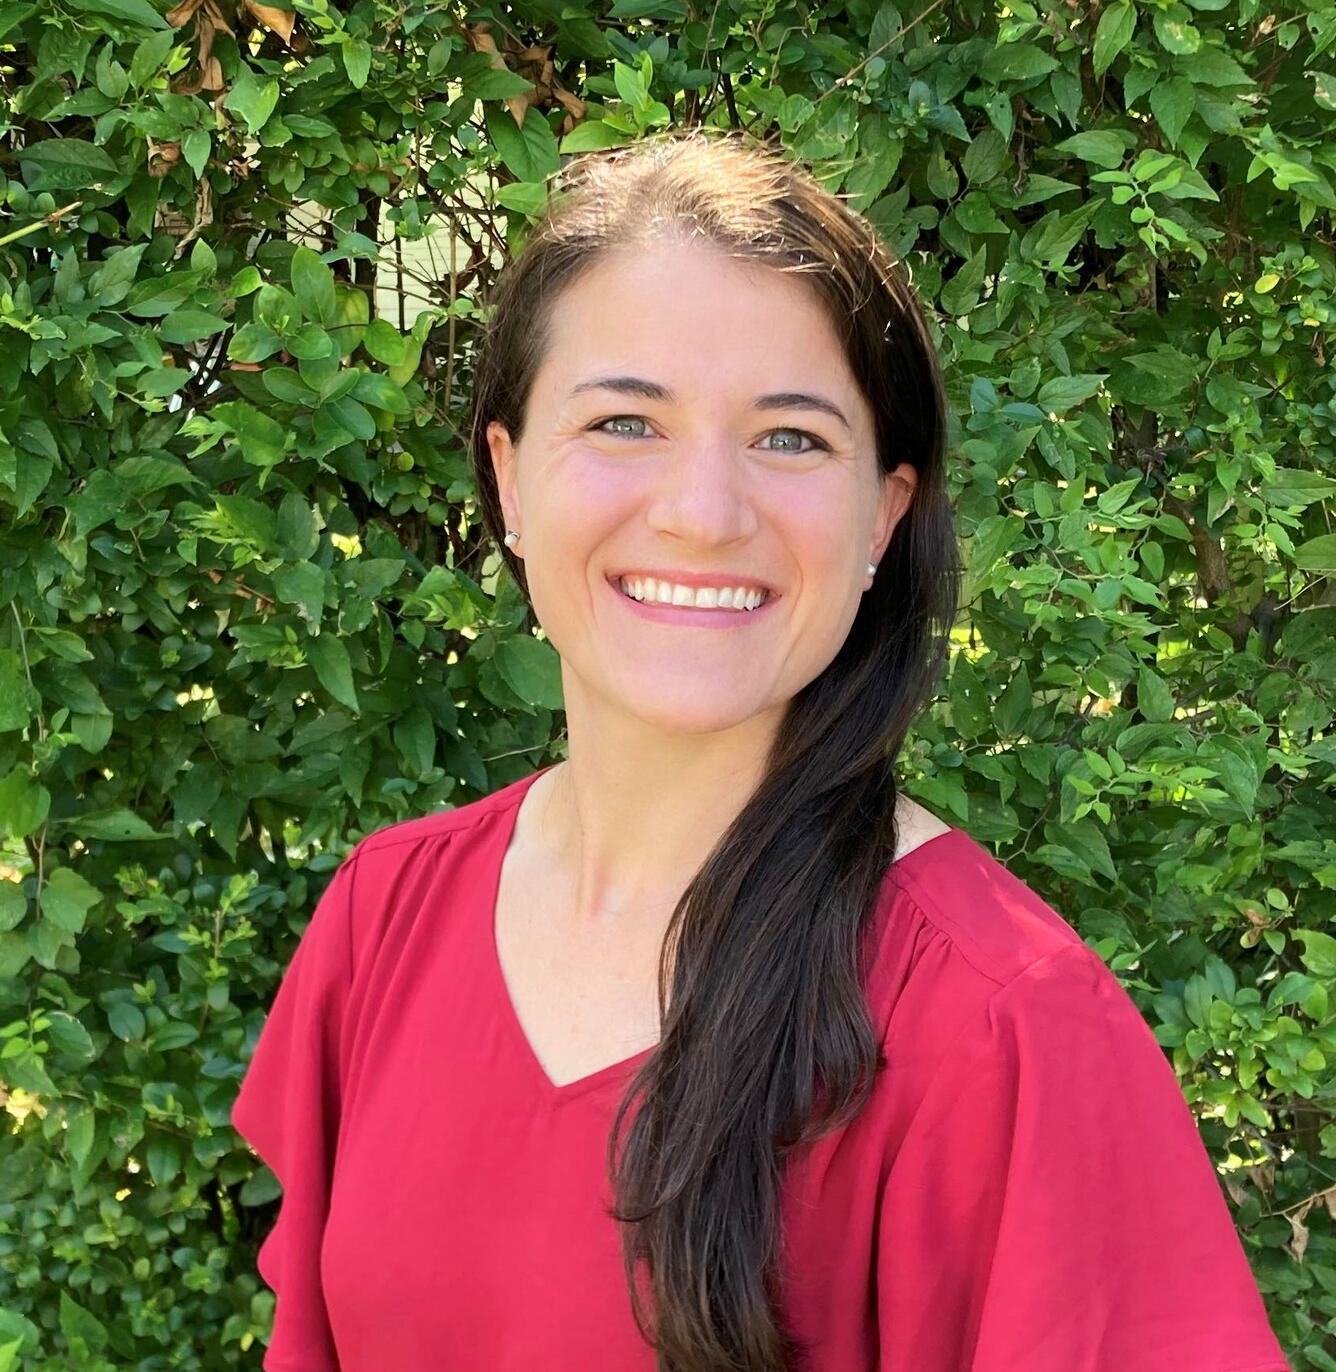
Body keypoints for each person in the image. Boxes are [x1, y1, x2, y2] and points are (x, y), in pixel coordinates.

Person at [230, 128, 1291, 1372]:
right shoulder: (387, 916)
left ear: (883, 513)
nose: (702, 511)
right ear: (509, 479)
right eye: (626, 421)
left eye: (790, 438)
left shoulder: (1000, 1025)